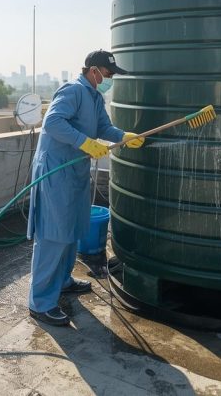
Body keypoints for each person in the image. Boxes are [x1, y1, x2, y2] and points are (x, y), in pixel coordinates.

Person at [26, 49, 145, 327]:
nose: (110, 79)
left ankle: (63, 280)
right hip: (55, 172)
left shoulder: (94, 97)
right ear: (93, 71)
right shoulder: (72, 91)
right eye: (108, 74)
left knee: (71, 228)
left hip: (75, 171)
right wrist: (84, 142)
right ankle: (40, 302)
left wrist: (123, 137)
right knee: (54, 234)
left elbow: (103, 127)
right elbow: (53, 122)